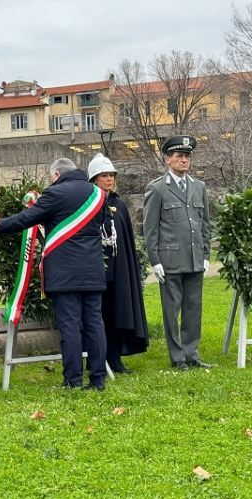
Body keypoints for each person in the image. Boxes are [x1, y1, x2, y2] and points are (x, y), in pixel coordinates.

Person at [0, 158, 107, 390]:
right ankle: (98, 380)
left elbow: (27, 219)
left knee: (70, 326)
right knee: (95, 324)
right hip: (92, 271)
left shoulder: (55, 193)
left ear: (57, 174)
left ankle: (73, 381)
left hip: (64, 274)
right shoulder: (98, 194)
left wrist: (0, 223)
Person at [143, 135, 211, 370]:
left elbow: (204, 224)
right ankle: (178, 357)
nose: (184, 160)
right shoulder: (158, 189)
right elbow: (150, 228)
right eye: (179, 156)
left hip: (194, 258)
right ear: (167, 160)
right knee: (172, 310)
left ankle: (192, 353)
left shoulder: (199, 187)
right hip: (170, 259)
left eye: (187, 156)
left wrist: (206, 254)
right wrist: (155, 260)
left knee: (193, 308)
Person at [87, 153, 149, 373]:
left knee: (115, 315)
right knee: (97, 316)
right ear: (94, 179)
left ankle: (115, 358)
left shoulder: (120, 205)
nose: (109, 179)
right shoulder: (88, 204)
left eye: (112, 175)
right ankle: (95, 359)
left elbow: (125, 241)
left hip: (118, 271)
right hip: (95, 272)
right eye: (104, 175)